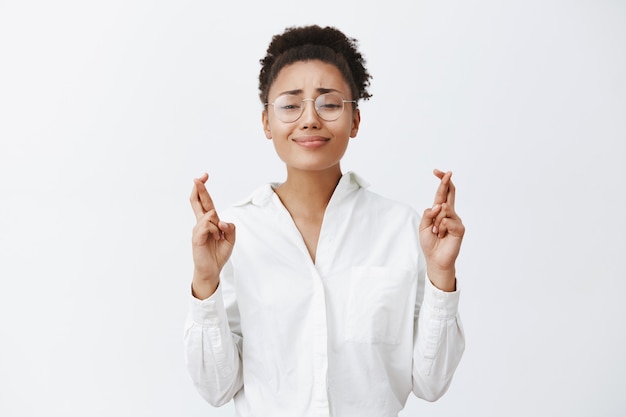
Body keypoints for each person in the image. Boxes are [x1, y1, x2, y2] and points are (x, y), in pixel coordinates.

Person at [184, 25, 465, 417]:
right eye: (290, 105)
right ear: (267, 122)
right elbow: (216, 388)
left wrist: (441, 274)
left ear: (355, 120)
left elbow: (431, 383)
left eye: (329, 104)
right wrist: (205, 281)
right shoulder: (233, 235)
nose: (310, 119)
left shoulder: (400, 229)